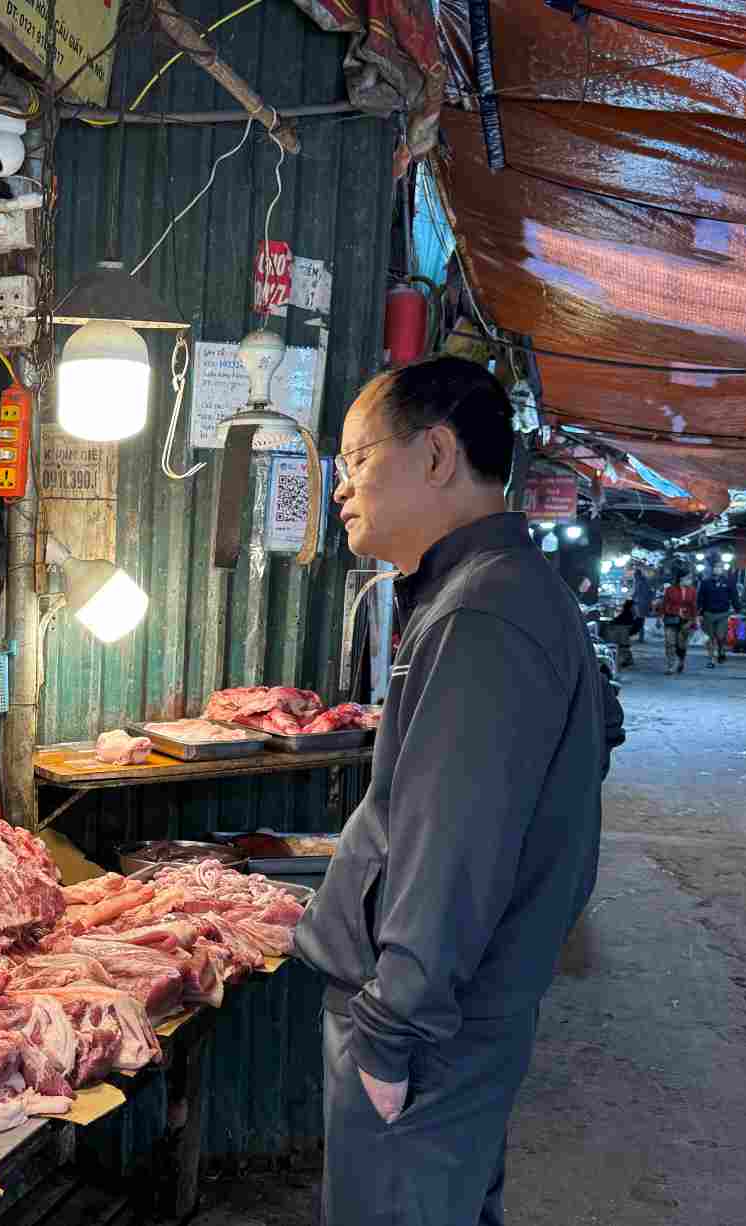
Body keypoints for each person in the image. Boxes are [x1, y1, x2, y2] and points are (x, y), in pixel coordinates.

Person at [296, 356, 615, 1226]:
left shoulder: (482, 614)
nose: (340, 490)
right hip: (452, 1024)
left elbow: (452, 855)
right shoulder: (488, 594)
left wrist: (389, 1042)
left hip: (424, 1033)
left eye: (356, 461)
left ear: (436, 456)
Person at [658, 569, 699, 676]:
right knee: (669, 643)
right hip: (671, 619)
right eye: (688, 578)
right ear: (681, 579)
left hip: (686, 620)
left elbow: (694, 606)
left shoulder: (692, 591)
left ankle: (681, 661)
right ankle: (671, 665)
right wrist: (660, 617)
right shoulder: (670, 590)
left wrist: (695, 620)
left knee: (681, 644)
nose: (690, 580)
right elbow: (664, 604)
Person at [697, 564, 736, 666]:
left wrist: (738, 608)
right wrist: (699, 612)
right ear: (712, 569)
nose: (718, 569)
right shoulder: (705, 583)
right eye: (716, 567)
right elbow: (700, 598)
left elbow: (734, 596)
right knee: (709, 638)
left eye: (720, 567)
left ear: (723, 569)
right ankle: (711, 658)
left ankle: (721, 650)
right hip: (708, 613)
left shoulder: (728, 582)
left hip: (723, 613)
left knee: (720, 635)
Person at [604, 599, 642, 668]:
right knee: (623, 645)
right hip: (625, 628)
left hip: (623, 629)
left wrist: (611, 623)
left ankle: (626, 659)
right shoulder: (629, 614)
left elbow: (617, 620)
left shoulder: (627, 614)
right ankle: (627, 659)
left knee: (622, 645)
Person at [630, 564, 654, 642]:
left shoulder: (638, 582)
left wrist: (631, 597)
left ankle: (639, 637)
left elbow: (635, 593)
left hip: (639, 603)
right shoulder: (646, 582)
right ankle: (641, 637)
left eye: (634, 575)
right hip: (645, 603)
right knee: (641, 620)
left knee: (638, 619)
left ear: (636, 575)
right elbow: (650, 593)